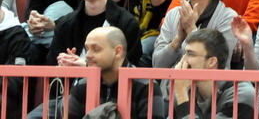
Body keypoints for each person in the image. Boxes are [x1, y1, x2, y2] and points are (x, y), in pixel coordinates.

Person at [34, 26, 163, 119]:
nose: (88, 55)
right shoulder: (82, 86)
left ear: (118, 51)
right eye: (87, 49)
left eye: (96, 49)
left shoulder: (147, 86)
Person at [152, 0, 238, 68]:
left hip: (210, 85)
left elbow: (219, 66)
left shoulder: (227, 18)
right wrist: (178, 40)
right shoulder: (173, 14)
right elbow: (157, 65)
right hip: (172, 84)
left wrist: (192, 30)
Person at [170, 27, 257, 119]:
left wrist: (181, 96)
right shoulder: (186, 89)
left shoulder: (241, 95)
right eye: (185, 54)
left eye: (191, 54)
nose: (183, 61)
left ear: (211, 62)